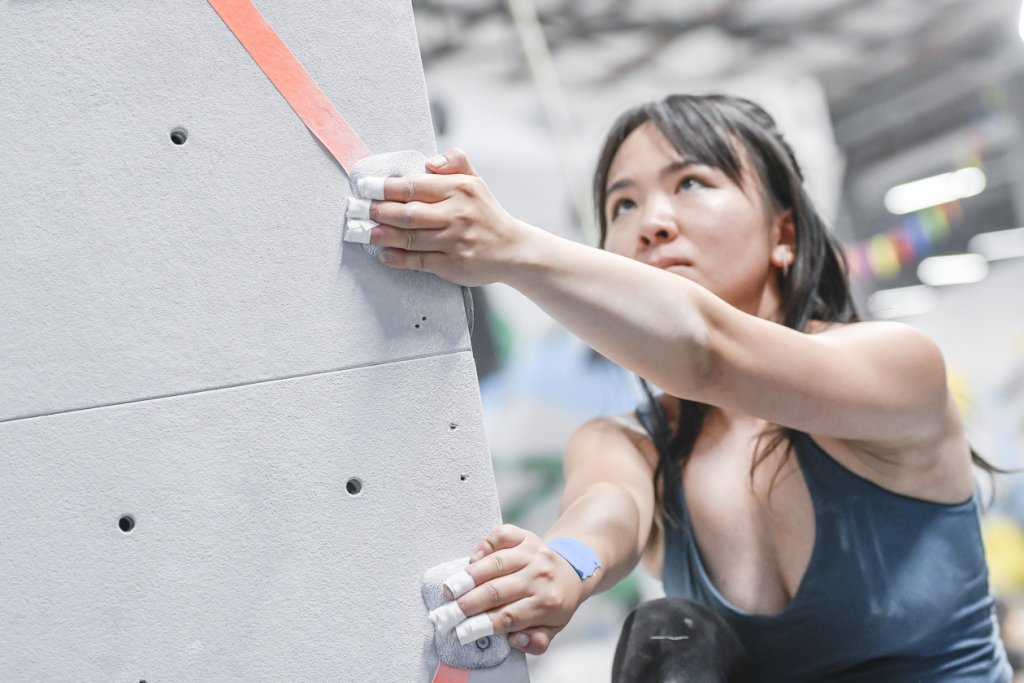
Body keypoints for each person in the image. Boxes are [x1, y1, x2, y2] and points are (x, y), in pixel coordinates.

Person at [363, 94, 1012, 681]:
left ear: (782, 235)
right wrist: (560, 566)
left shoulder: (899, 369)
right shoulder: (633, 443)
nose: (653, 222)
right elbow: (605, 511)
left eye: (692, 182)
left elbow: (706, 351)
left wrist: (513, 250)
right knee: (669, 632)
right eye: (624, 204)